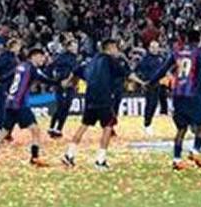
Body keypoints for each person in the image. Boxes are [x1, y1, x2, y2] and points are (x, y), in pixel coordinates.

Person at [145, 29, 201, 170]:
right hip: (193, 95)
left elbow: (162, 69)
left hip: (177, 95)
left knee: (181, 129)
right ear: (199, 40)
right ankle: (195, 151)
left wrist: (151, 82)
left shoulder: (176, 52)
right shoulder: (198, 54)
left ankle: (176, 160)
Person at [61, 39, 142, 170]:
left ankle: (69, 154)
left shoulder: (91, 61)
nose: (117, 51)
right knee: (108, 127)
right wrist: (142, 82)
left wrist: (69, 81)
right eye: (116, 48)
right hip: (103, 98)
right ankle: (100, 160)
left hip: (90, 98)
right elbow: (128, 74)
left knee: (84, 125)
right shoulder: (110, 61)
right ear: (110, 48)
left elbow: (76, 71)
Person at [0, 47, 56, 167]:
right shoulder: (32, 69)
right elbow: (45, 80)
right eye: (41, 57)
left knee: (4, 132)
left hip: (10, 103)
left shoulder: (20, 66)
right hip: (20, 105)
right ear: (34, 56)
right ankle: (35, 158)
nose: (43, 59)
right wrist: (58, 83)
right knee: (36, 130)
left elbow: (5, 78)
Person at [47, 38, 81, 138]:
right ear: (69, 47)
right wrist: (55, 82)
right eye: (74, 46)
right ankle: (52, 127)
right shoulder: (61, 57)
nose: (76, 48)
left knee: (66, 106)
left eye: (77, 46)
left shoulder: (76, 59)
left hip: (70, 85)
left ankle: (59, 129)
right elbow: (51, 68)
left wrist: (75, 84)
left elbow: (76, 72)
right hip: (60, 84)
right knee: (60, 105)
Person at [0, 38, 21, 141]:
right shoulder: (4, 56)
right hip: (2, 85)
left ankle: (6, 131)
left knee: (10, 109)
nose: (19, 48)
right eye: (18, 46)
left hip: (10, 86)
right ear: (13, 46)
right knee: (2, 107)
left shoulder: (14, 58)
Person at [136, 41, 170, 136]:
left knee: (158, 102)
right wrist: (143, 81)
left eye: (156, 47)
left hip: (160, 83)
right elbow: (139, 70)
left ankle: (163, 115)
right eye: (153, 47)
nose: (155, 49)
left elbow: (165, 69)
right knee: (150, 104)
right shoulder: (145, 59)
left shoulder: (161, 58)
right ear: (149, 48)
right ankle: (147, 124)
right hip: (150, 84)